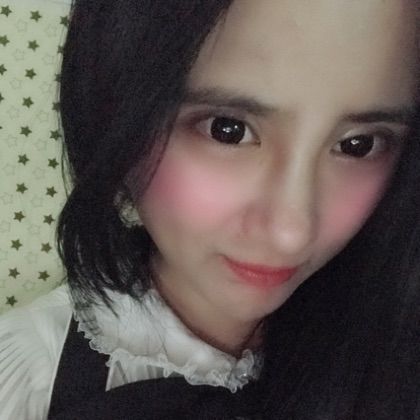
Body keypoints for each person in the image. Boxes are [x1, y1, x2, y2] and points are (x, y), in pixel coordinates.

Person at [0, 0, 419, 418]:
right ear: (117, 112)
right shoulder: (23, 382)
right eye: (227, 130)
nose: (291, 232)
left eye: (358, 145)